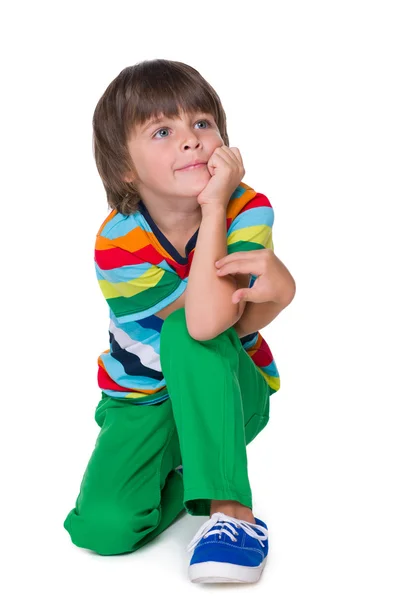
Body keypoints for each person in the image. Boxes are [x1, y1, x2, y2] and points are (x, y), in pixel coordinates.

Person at [63, 59, 296, 584]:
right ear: (125, 167)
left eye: (202, 124)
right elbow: (211, 315)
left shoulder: (249, 209)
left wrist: (223, 215)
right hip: (144, 399)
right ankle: (194, 466)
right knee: (103, 529)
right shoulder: (119, 242)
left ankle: (233, 514)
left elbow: (207, 331)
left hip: (234, 393)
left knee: (185, 331)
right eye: (163, 131)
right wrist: (277, 295)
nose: (190, 141)